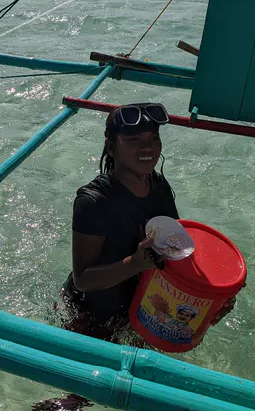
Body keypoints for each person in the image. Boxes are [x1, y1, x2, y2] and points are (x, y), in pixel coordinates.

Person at [60, 102, 176, 341]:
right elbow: (82, 279)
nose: (148, 148)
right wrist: (135, 263)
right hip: (91, 316)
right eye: (134, 140)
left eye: (154, 138)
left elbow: (175, 248)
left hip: (139, 310)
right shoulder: (94, 202)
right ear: (111, 148)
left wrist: (211, 296)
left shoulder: (159, 186)